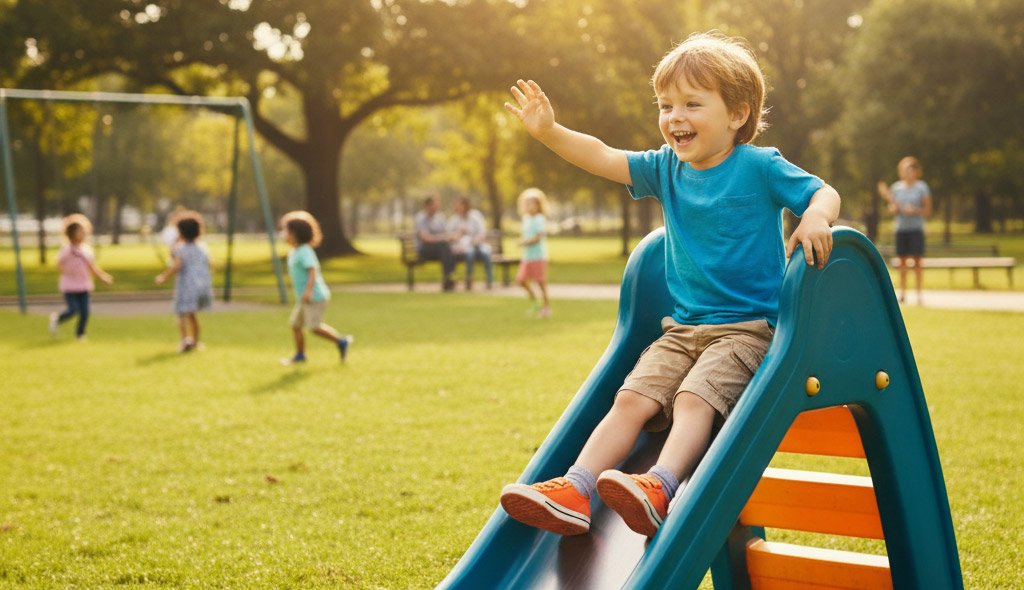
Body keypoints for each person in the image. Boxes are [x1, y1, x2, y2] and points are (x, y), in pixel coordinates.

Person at [498, 31, 841, 538]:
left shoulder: (759, 166)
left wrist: (815, 218)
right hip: (681, 330)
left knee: (692, 400)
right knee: (630, 400)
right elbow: (602, 155)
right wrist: (550, 132)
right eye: (665, 105)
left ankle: (661, 484)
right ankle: (576, 487)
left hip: (748, 331)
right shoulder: (666, 169)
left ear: (738, 114)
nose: (674, 116)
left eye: (691, 104)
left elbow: (823, 191)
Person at [278, 210, 353, 366]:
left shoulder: (305, 251)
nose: (283, 234)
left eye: (286, 230)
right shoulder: (295, 251)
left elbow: (312, 270)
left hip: (315, 297)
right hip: (304, 298)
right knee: (295, 325)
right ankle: (300, 355)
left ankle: (341, 341)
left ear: (295, 234)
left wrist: (308, 290)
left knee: (313, 327)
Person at [155, 210, 214, 353]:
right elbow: (210, 263)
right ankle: (196, 341)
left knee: (181, 314)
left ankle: (185, 340)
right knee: (193, 315)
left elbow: (176, 265)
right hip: (200, 287)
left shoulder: (181, 249)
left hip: (186, 287)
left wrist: (163, 276)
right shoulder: (202, 247)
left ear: (180, 232)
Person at [48, 214, 113, 340]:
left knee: (85, 312)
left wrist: (103, 277)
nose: (83, 234)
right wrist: (67, 271)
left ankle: (80, 334)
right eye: (80, 232)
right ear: (72, 234)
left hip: (83, 285)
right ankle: (57, 319)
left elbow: (92, 267)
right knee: (73, 310)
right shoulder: (66, 251)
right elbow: (59, 265)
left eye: (84, 232)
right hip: (69, 286)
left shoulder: (86, 251)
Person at [877, 156, 932, 304]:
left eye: (911, 170)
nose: (908, 173)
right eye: (905, 170)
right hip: (901, 229)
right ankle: (902, 293)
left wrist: (914, 211)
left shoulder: (922, 187)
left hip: (916, 229)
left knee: (917, 261)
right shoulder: (896, 188)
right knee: (901, 262)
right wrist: (894, 208)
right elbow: (893, 208)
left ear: (916, 171)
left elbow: (927, 210)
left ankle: (919, 294)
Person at [516, 188, 551, 318]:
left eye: (532, 203)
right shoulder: (526, 219)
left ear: (538, 205)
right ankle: (536, 303)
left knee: (541, 283)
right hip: (527, 257)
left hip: (539, 256)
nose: (529, 206)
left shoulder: (539, 219)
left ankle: (547, 307)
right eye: (527, 203)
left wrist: (524, 242)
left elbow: (538, 237)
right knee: (520, 280)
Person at [447, 196, 494, 290]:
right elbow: (448, 235)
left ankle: (489, 280)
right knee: (470, 254)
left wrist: (476, 240)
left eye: (461, 205)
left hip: (478, 243)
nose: (459, 208)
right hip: (464, 247)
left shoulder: (475, 216)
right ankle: (469, 280)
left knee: (486, 253)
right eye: (457, 206)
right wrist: (458, 233)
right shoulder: (454, 219)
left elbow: (483, 232)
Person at [414, 195, 457, 291]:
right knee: (444, 246)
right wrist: (441, 238)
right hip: (425, 249)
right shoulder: (420, 218)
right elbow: (425, 238)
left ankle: (448, 277)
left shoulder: (440, 217)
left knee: (447, 248)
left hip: (440, 249)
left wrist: (448, 237)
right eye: (434, 205)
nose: (437, 207)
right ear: (427, 206)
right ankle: (449, 276)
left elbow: (446, 233)